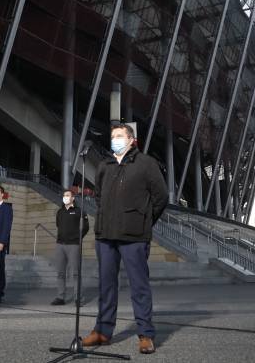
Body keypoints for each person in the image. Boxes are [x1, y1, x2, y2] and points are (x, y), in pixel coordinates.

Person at [82, 123, 168, 355]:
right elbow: (99, 195)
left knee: (139, 286)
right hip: (106, 235)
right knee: (106, 285)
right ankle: (102, 330)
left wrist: (144, 221)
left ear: (131, 140)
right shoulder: (104, 165)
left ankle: (146, 334)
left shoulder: (146, 164)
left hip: (134, 236)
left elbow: (161, 197)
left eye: (119, 136)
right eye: (113, 137)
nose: (115, 140)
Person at [51, 189, 89, 306]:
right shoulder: (60, 212)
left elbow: (86, 227)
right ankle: (60, 297)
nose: (65, 197)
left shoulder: (79, 211)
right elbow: (58, 225)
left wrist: (77, 237)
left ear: (73, 198)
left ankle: (79, 299)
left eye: (67, 195)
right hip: (60, 245)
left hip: (73, 245)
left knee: (76, 273)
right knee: (60, 273)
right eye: (64, 195)